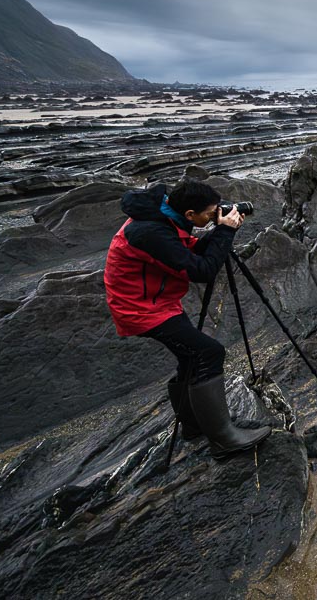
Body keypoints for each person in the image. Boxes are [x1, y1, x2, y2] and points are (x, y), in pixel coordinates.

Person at [104, 180, 271, 458]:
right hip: (140, 309)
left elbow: (191, 250)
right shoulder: (150, 232)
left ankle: (194, 426)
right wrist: (225, 231)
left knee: (190, 357)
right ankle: (223, 438)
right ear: (190, 214)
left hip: (158, 301)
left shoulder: (163, 216)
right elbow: (202, 270)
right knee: (209, 352)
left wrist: (219, 229)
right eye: (209, 213)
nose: (214, 215)